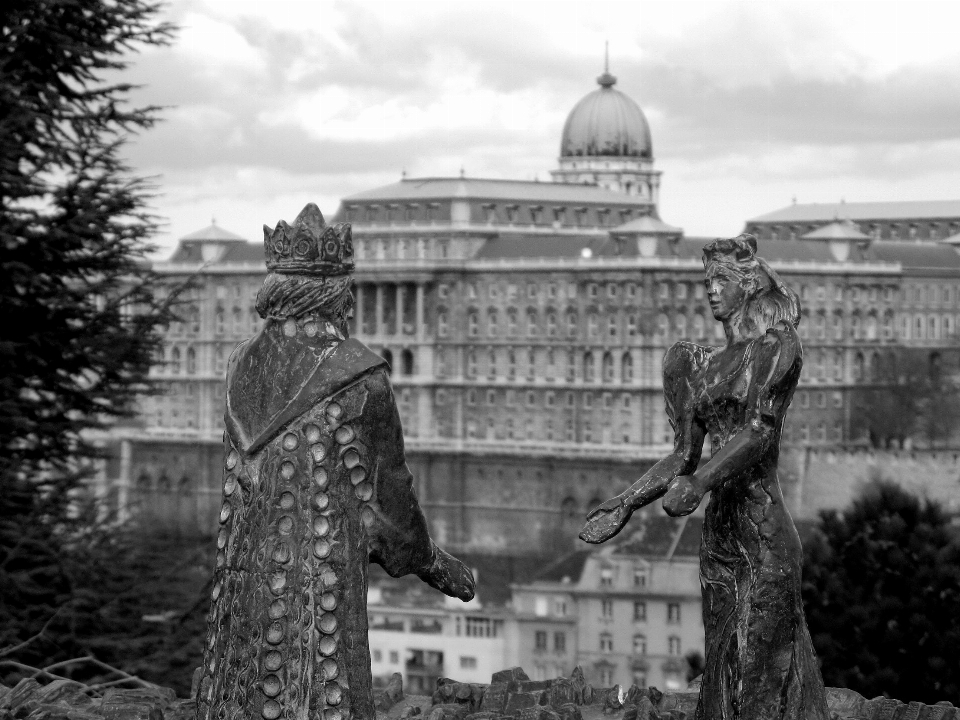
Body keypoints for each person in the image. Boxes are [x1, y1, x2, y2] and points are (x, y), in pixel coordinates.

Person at [196, 204, 475, 720]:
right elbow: (388, 502)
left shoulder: (239, 366)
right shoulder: (358, 375)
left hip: (242, 587)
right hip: (317, 587)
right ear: (338, 294)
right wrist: (434, 564)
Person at [580, 234, 829, 719]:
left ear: (750, 285)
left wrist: (701, 483)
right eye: (707, 281)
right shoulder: (693, 364)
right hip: (720, 539)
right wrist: (626, 503)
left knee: (759, 678)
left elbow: (759, 431)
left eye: (722, 280)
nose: (711, 290)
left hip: (763, 532)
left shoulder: (777, 348)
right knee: (722, 675)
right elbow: (681, 457)